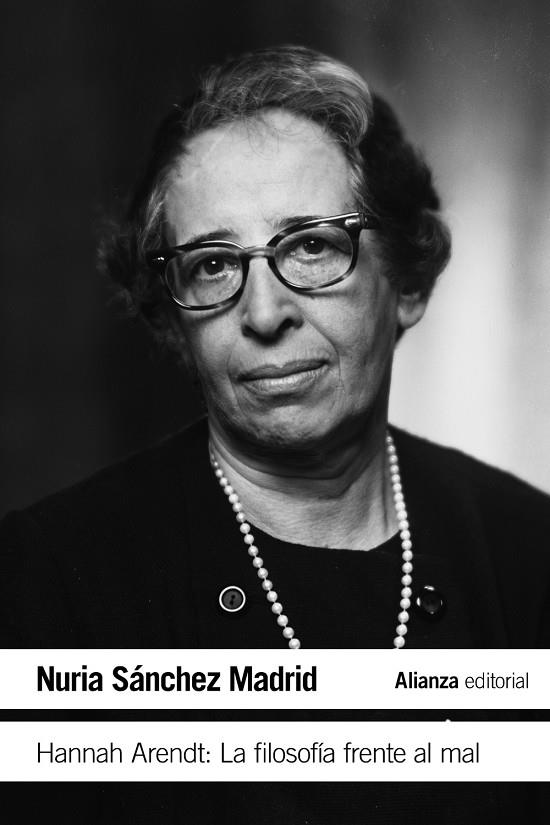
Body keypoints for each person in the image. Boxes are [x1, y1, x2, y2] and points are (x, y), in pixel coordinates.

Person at [1, 45, 549, 649]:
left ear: (408, 283)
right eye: (212, 264)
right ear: (173, 321)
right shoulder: (50, 574)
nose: (264, 314)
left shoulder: (527, 549)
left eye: (312, 246)